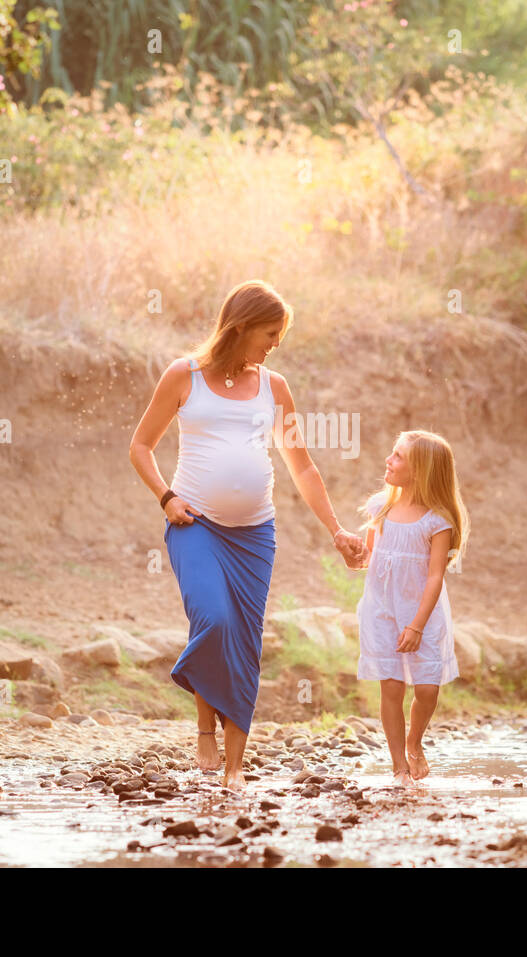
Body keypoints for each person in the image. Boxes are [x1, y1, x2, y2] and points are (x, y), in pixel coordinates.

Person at [127, 279, 366, 791]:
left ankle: (235, 768)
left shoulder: (274, 387)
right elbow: (140, 446)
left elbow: (302, 467)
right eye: (271, 332)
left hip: (256, 534)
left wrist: (337, 529)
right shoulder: (182, 375)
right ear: (241, 325)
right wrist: (166, 497)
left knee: (245, 639)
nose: (276, 343)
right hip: (196, 526)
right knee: (213, 618)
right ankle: (203, 726)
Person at [355, 430, 469, 787]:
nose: (389, 460)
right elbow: (369, 559)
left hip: (423, 613)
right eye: (393, 453)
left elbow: (435, 577)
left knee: (427, 689)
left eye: (398, 456)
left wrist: (417, 624)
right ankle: (398, 765)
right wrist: (354, 554)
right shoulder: (381, 508)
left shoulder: (437, 521)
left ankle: (414, 741)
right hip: (380, 610)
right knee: (390, 686)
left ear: (420, 471)